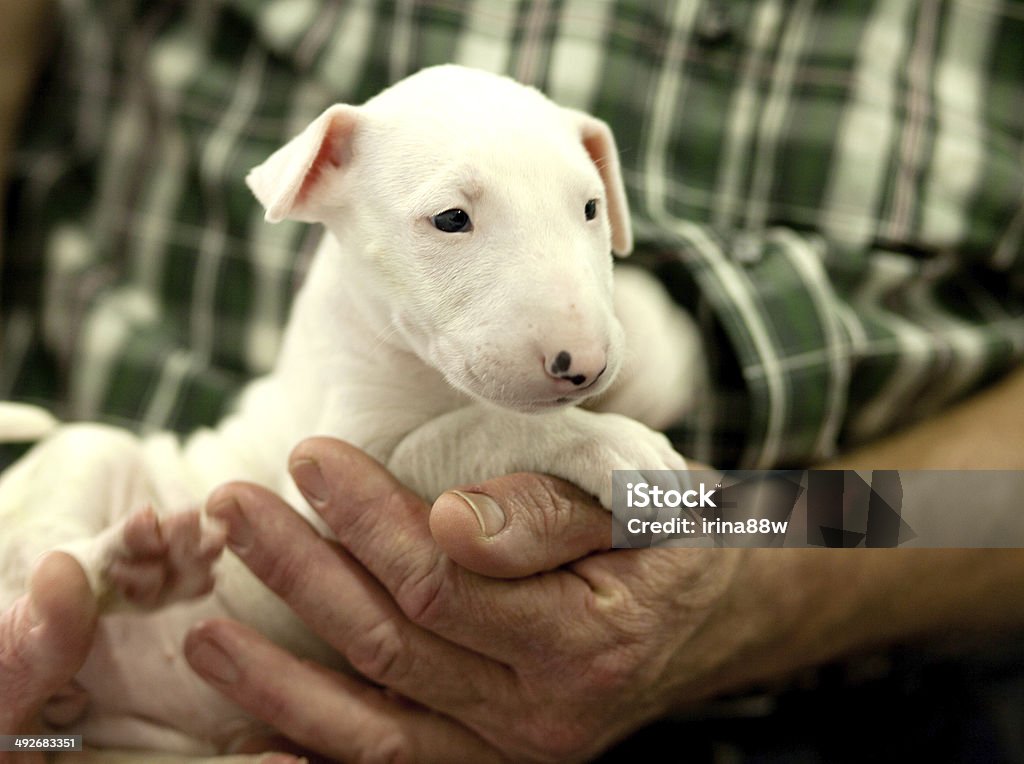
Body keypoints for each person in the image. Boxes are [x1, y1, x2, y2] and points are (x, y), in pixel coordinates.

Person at [2, 1, 1023, 761]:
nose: (579, 333)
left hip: (870, 654)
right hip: (130, 525)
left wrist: (759, 577)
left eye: (589, 214)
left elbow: (972, 511)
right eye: (450, 221)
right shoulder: (370, 267)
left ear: (604, 188)